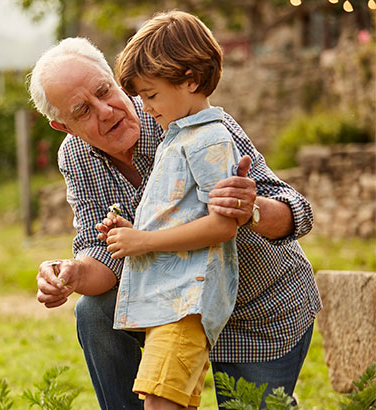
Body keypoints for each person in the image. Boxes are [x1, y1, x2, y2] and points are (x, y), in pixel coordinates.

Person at [28, 35, 320, 409]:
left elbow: (298, 212)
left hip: (255, 306)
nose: (105, 111)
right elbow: (103, 252)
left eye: (105, 91)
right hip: (172, 307)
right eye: (82, 110)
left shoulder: (190, 119)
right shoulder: (76, 155)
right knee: (95, 311)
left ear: (116, 79)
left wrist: (251, 209)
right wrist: (69, 273)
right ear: (63, 126)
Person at [103, 11, 243, 409]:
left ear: (191, 80)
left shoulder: (209, 140)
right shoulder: (179, 137)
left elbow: (223, 226)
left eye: (151, 95)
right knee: (158, 399)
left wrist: (144, 240)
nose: (144, 108)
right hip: (169, 301)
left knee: (162, 404)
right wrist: (130, 231)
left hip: (187, 302)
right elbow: (183, 215)